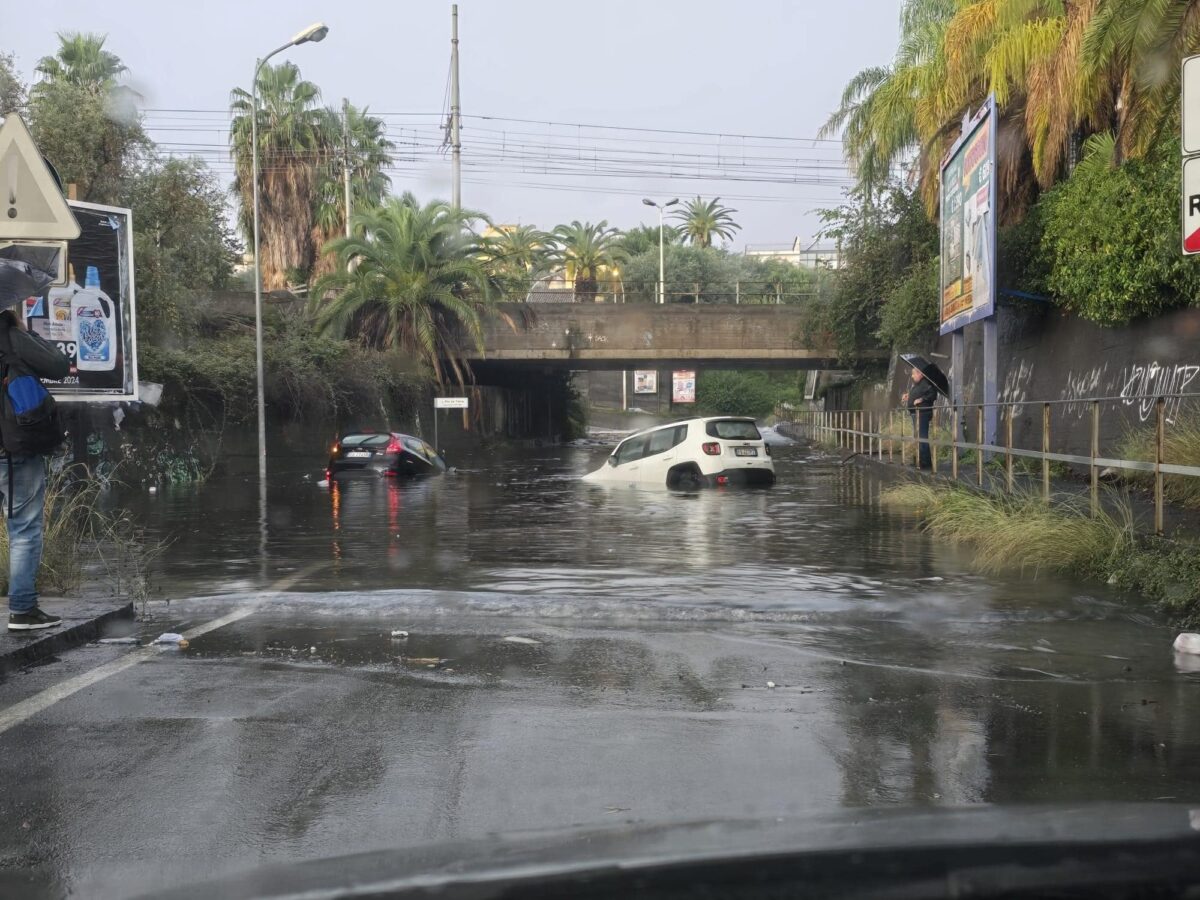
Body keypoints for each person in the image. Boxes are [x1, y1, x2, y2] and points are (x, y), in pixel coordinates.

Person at [0, 309, 70, 631]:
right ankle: (23, 609)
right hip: (13, 448)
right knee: (24, 529)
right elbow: (58, 365)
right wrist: (24, 331)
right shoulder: (12, 337)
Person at [901, 367, 937, 470]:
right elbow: (917, 393)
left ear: (920, 374)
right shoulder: (918, 384)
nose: (912, 376)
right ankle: (920, 461)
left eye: (913, 374)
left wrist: (921, 399)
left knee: (922, 437)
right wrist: (909, 396)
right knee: (917, 437)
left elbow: (933, 394)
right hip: (916, 413)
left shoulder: (927, 382)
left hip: (923, 413)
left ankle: (925, 463)